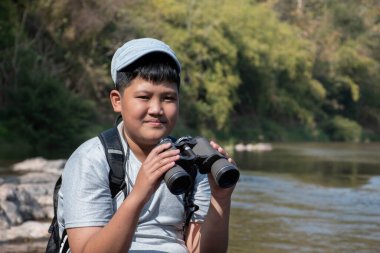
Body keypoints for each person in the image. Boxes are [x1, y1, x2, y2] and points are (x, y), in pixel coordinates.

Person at [57, 38, 237, 253]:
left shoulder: (190, 162)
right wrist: (140, 193)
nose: (156, 109)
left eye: (168, 98)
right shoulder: (91, 160)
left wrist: (221, 199)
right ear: (117, 100)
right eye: (144, 97)